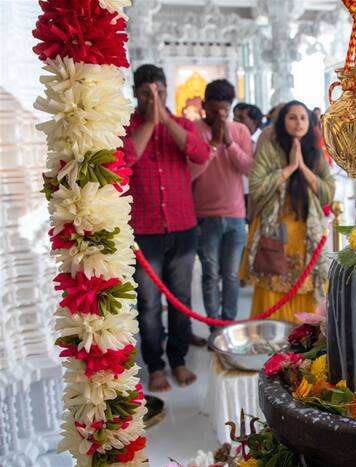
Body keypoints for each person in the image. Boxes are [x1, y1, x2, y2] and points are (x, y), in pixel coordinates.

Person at [122, 64, 210, 392]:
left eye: (158, 92)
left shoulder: (182, 125)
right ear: (135, 95)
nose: (152, 99)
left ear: (165, 91)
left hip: (183, 228)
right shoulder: (127, 128)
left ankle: (178, 360)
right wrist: (148, 122)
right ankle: (155, 366)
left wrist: (167, 120)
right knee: (147, 304)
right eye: (146, 94)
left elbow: (200, 153)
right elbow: (125, 159)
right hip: (144, 232)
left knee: (181, 299)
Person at [240, 101, 335, 322]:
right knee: (274, 287)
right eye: (292, 117)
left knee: (307, 288)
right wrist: (289, 168)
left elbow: (328, 193)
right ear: (282, 121)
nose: (298, 123)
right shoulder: (270, 149)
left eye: (303, 118)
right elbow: (256, 187)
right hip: (275, 231)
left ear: (309, 122)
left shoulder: (315, 151)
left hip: (307, 232)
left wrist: (303, 168)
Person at [189, 79, 253, 329]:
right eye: (213, 110)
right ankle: (215, 327)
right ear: (203, 105)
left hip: (236, 215)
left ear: (231, 107)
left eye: (224, 110)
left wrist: (229, 143)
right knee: (210, 275)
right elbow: (190, 173)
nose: (218, 115)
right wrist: (213, 144)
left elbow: (249, 169)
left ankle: (229, 326)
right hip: (204, 216)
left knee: (231, 276)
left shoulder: (240, 131)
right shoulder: (192, 130)